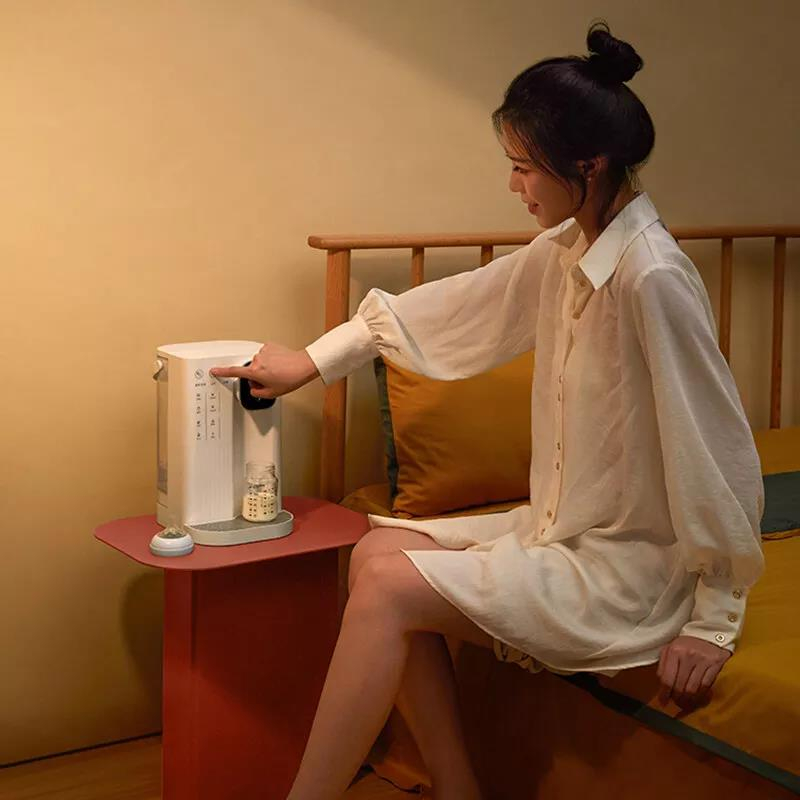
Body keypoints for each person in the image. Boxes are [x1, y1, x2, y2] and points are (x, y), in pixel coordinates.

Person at [211, 19, 765, 800]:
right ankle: (459, 787)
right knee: (373, 550)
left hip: (630, 570)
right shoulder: (567, 252)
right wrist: (312, 362)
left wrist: (715, 615)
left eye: (524, 167)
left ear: (588, 164)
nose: (514, 186)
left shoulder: (652, 278)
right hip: (563, 528)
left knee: (387, 586)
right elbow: (454, 307)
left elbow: (713, 443)